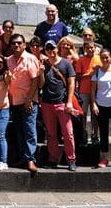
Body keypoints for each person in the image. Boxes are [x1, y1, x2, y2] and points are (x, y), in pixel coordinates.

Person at [6, 33, 42, 172]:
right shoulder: (8, 60)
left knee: (29, 131)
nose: (16, 45)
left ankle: (31, 160)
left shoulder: (30, 58)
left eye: (19, 43)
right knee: (19, 132)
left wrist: (29, 99)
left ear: (24, 45)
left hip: (28, 102)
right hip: (14, 101)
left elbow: (35, 80)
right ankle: (23, 158)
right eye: (14, 43)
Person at [41, 39, 78, 171]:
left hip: (62, 103)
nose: (51, 51)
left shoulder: (66, 63)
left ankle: (71, 159)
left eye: (52, 48)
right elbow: (40, 85)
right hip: (47, 104)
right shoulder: (43, 65)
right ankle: (53, 159)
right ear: (45, 51)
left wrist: (69, 101)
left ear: (57, 48)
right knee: (51, 134)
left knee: (68, 133)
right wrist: (40, 72)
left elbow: (71, 83)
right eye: (48, 49)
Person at [73, 28, 101, 143]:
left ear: (95, 48)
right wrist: (89, 74)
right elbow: (78, 77)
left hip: (97, 91)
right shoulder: (80, 60)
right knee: (83, 114)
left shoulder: (99, 59)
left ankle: (95, 134)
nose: (90, 49)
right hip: (84, 90)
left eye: (92, 48)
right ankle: (83, 133)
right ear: (84, 49)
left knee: (96, 114)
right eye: (88, 48)